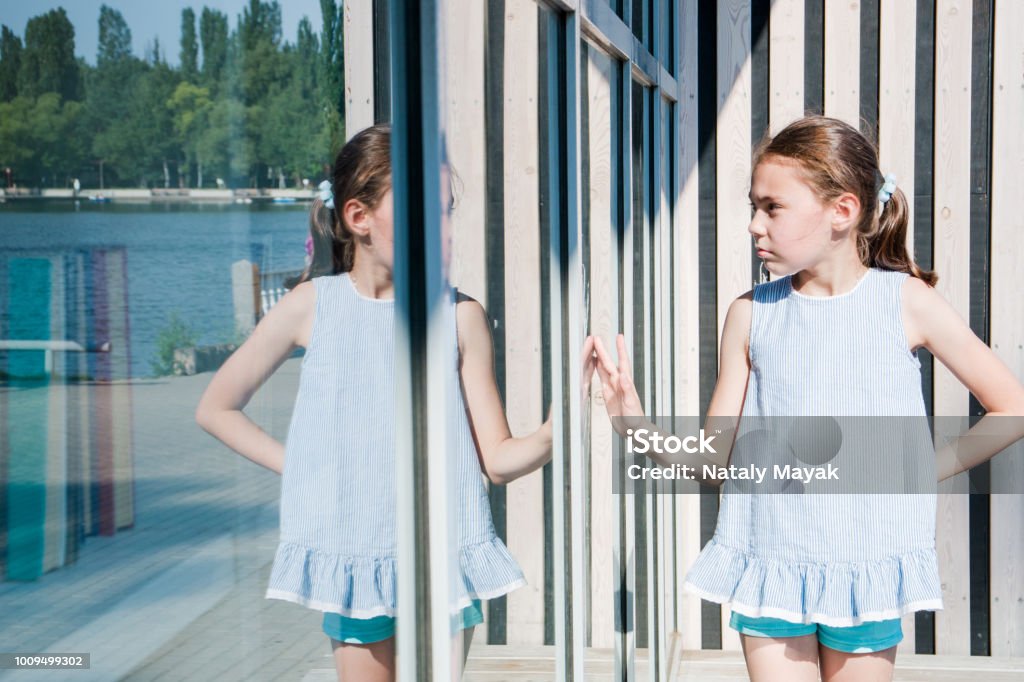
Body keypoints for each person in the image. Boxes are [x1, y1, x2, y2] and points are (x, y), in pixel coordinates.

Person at [585, 115, 1024, 682]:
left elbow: (1010, 406)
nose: (753, 226)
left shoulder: (907, 304)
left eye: (772, 207)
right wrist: (631, 422)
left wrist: (921, 468)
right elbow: (712, 462)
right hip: (771, 566)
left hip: (865, 570)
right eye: (753, 207)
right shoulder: (749, 314)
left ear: (842, 211)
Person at [196, 124, 553, 682]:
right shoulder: (311, 306)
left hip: (443, 556)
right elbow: (216, 408)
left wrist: (563, 426)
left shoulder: (460, 318)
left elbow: (499, 460)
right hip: (355, 560)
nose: (446, 229)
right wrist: (301, 467)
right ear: (358, 217)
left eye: (447, 210)